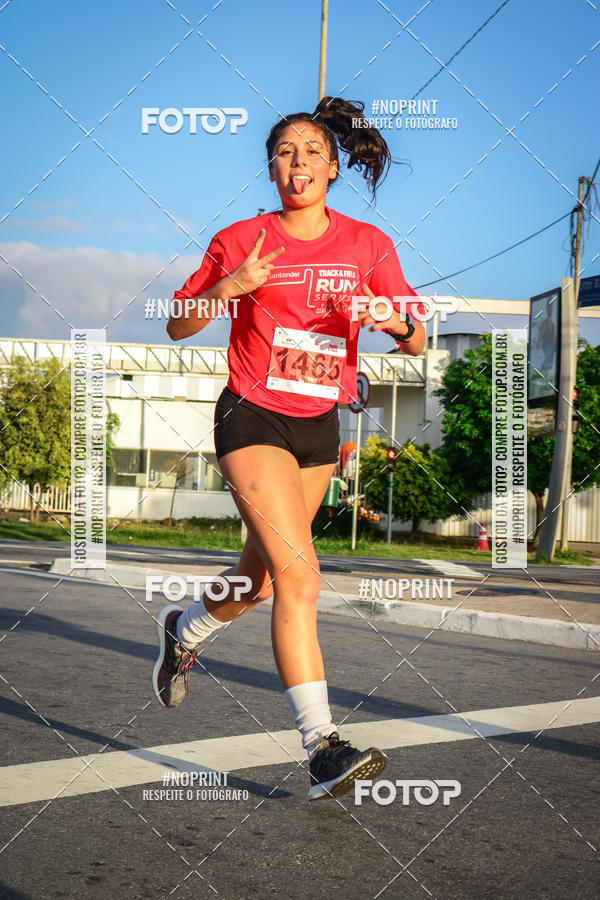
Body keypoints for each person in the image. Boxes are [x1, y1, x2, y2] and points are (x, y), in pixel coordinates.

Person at [152, 96, 426, 801]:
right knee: (300, 577)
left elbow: (418, 336)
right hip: (252, 417)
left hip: (318, 428)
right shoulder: (241, 237)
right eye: (284, 151)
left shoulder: (369, 246)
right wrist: (230, 286)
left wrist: (389, 317)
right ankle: (322, 748)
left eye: (311, 151)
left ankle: (183, 630)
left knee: (266, 579)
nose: (297, 160)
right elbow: (178, 325)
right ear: (271, 170)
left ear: (333, 167)